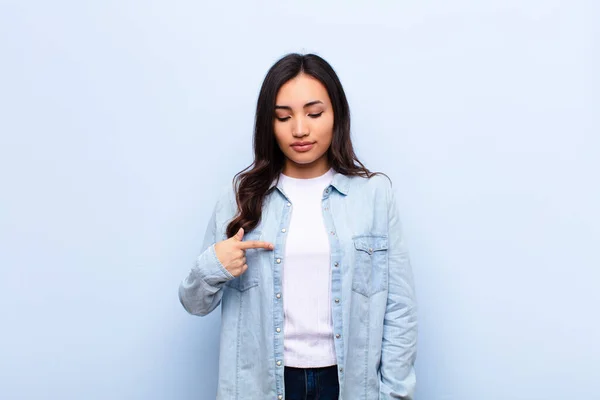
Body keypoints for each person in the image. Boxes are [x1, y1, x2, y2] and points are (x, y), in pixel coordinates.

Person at [179, 53, 417, 400]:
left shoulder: (374, 196)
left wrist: (395, 395)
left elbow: (401, 310)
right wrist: (216, 264)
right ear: (269, 124)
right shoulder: (239, 197)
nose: (300, 129)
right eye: (283, 117)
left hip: (348, 384)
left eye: (314, 113)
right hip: (264, 384)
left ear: (336, 115)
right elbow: (194, 302)